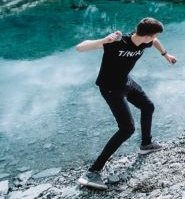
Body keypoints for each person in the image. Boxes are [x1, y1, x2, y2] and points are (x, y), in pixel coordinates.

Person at [74, 17, 177, 190]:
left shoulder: (145, 41)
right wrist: (103, 40)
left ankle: (146, 144)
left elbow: (156, 41)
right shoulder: (117, 42)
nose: (154, 39)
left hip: (125, 82)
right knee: (127, 129)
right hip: (110, 88)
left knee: (148, 106)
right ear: (146, 35)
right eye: (153, 36)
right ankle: (92, 172)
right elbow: (79, 47)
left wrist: (166, 55)